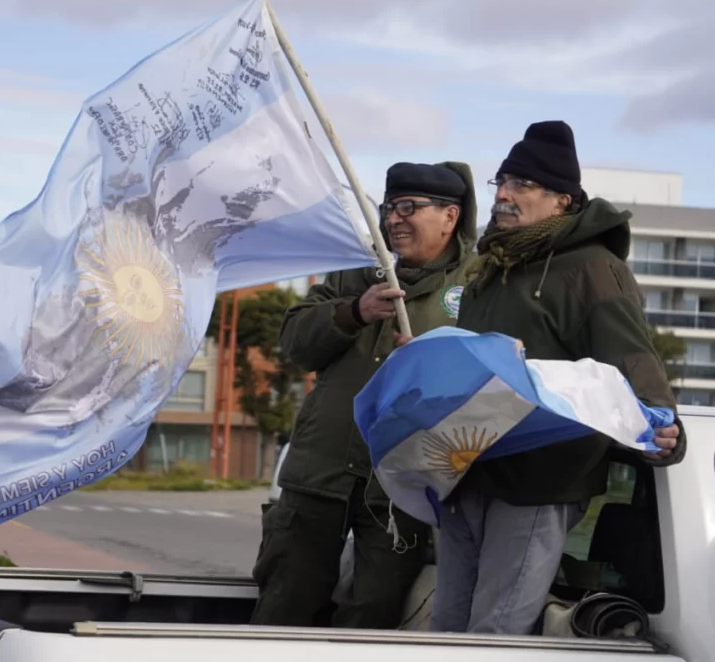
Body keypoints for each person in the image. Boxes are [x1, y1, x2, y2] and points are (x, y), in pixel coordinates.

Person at [427, 121, 686, 636]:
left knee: (496, 635)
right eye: (500, 181)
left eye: (521, 184)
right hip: (470, 467)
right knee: (449, 630)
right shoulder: (489, 268)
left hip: (542, 478)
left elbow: (630, 355)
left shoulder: (593, 267)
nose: (503, 194)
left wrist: (661, 427)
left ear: (562, 200)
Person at [250, 161, 479, 629]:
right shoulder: (357, 271)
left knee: (371, 621)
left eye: (408, 208)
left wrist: (436, 364)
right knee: (283, 608)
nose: (393, 219)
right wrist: (353, 311)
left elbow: (494, 382)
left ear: (449, 218)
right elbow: (295, 343)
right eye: (389, 208)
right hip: (321, 474)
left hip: (403, 490)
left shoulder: (478, 287)